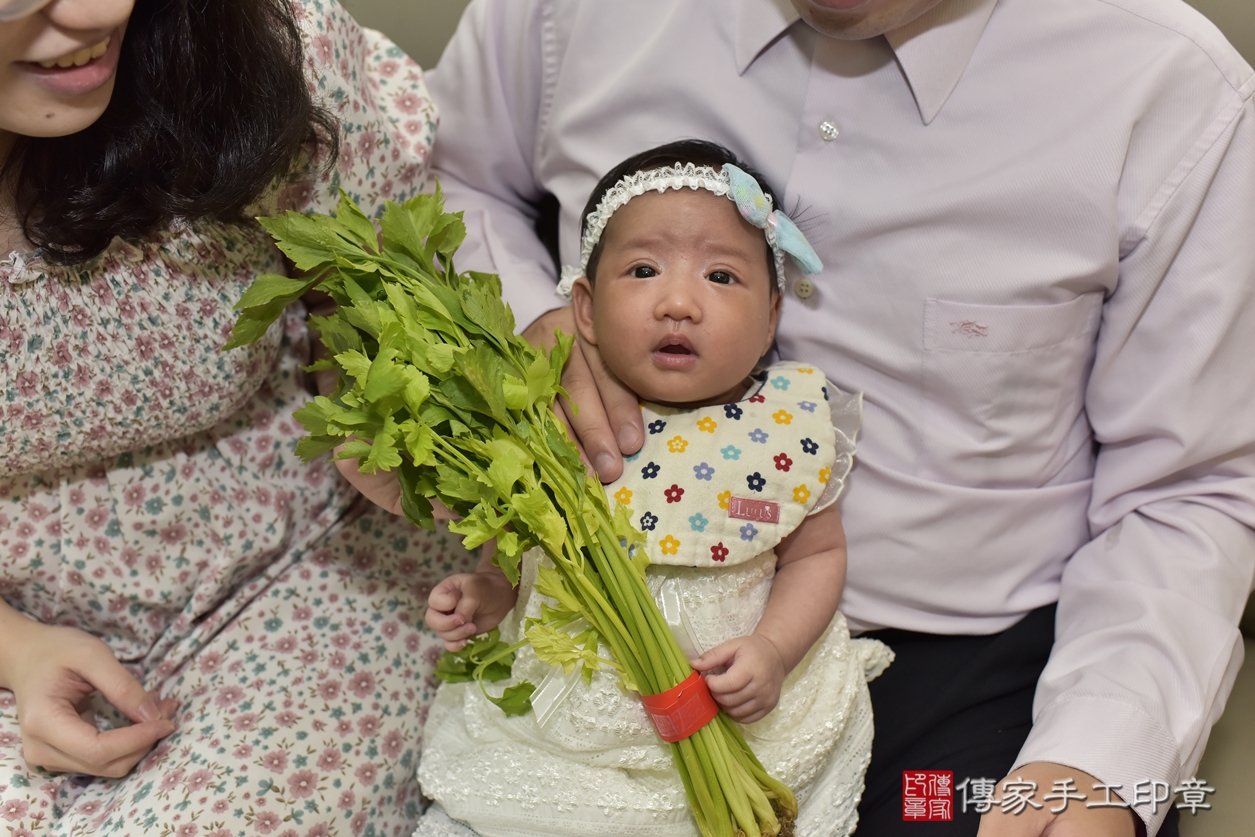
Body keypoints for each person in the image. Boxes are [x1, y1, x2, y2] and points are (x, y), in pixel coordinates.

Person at [421, 1, 1255, 835]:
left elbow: (1191, 486)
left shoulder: (1167, 85)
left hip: (964, 678)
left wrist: (1097, 757)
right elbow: (450, 171)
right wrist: (522, 324)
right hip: (602, 635)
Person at [0, 1, 474, 834]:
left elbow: (367, 286)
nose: (95, 11)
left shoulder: (247, 46)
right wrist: (20, 650)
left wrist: (369, 405)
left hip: (296, 568)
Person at [415, 140, 891, 837]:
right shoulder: (558, 418)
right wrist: (488, 593)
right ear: (583, 308)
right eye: (642, 269)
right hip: (573, 710)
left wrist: (773, 649)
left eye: (721, 276)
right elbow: (522, 548)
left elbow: (815, 556)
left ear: (770, 319)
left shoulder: (781, 424)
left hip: (727, 708)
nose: (678, 303)